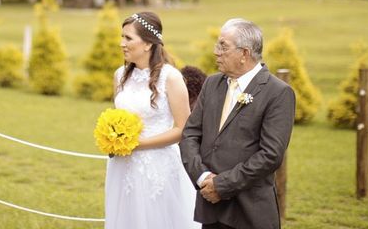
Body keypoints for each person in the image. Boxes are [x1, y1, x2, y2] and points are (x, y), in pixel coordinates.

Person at [180, 18, 296, 229]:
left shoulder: (278, 93)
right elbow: (189, 135)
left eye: (223, 46)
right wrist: (203, 177)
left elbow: (271, 155)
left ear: (244, 54)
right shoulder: (212, 83)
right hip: (210, 207)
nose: (216, 52)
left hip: (250, 211)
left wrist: (221, 185)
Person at [105, 12, 200, 229]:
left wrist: (137, 145)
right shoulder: (120, 75)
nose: (122, 44)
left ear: (148, 43)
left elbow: (182, 130)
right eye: (122, 37)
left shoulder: (171, 78)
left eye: (128, 38)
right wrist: (111, 137)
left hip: (157, 167)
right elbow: (117, 116)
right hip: (121, 165)